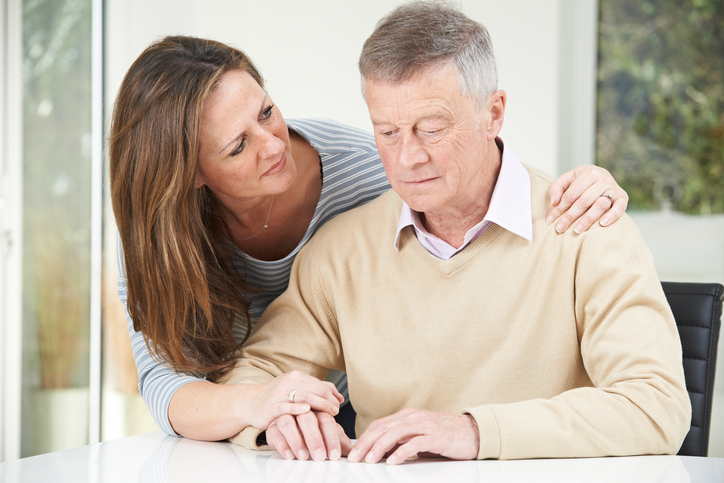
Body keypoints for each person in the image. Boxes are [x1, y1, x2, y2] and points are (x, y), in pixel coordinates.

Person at [221, 1, 691, 463]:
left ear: (494, 114)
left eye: (431, 129)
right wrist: (283, 418)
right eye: (386, 133)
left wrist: (473, 431)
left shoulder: (585, 227)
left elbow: (656, 407)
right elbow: (254, 377)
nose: (407, 158)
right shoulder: (340, 252)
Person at [109, 34, 629, 442]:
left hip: (358, 410)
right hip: (248, 422)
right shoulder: (162, 235)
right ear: (191, 175)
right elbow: (168, 381)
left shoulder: (379, 171)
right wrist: (263, 405)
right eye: (238, 146)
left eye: (267, 112)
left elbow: (477, 180)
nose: (273, 146)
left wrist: (582, 188)